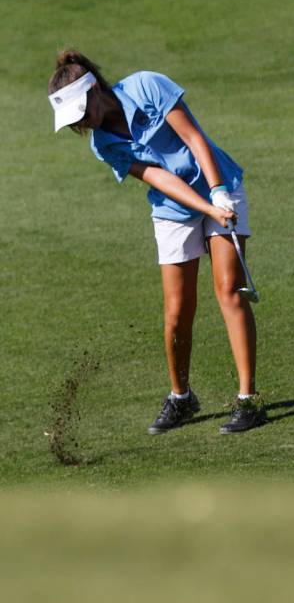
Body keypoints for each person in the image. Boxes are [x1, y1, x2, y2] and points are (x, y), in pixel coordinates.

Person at [47, 50, 266, 435]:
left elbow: (193, 137)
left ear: (95, 90)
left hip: (222, 186)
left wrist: (217, 193)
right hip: (173, 209)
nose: (82, 123)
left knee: (230, 290)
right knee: (177, 310)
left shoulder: (147, 85)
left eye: (83, 112)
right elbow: (159, 179)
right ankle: (181, 397)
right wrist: (205, 207)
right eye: (74, 121)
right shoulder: (104, 145)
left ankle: (249, 399)